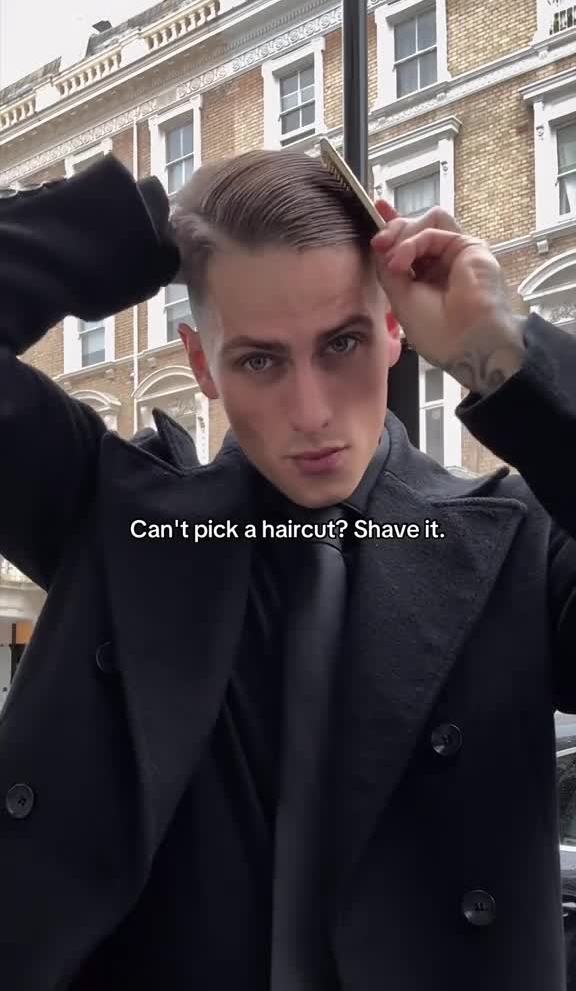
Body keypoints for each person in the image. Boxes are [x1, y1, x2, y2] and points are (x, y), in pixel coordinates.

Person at [0, 148, 574, 991]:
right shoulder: (111, 517)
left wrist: (502, 354)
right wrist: (137, 226)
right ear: (202, 364)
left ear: (394, 330)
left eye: (341, 342)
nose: (311, 413)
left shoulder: (523, 545)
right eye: (259, 360)